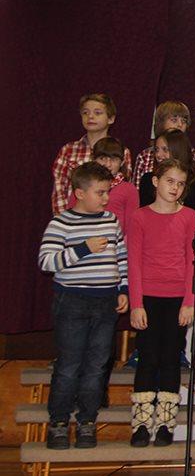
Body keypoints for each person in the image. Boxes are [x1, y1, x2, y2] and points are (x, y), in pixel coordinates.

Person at [39, 162, 129, 449]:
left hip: (105, 301)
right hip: (72, 301)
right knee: (69, 365)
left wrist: (123, 288)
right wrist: (82, 249)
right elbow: (46, 261)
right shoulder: (61, 223)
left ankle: (87, 422)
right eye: (100, 193)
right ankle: (59, 423)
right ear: (79, 193)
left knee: (97, 365)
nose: (106, 198)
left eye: (107, 192)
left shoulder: (111, 220)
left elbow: (121, 257)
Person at [127, 159, 195, 448]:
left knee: (170, 358)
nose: (175, 188)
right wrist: (136, 303)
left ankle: (166, 423)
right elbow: (133, 262)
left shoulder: (189, 216)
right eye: (170, 181)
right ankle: (142, 424)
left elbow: (191, 261)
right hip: (148, 299)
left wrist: (189, 301)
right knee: (148, 358)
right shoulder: (139, 217)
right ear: (155, 181)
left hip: (176, 299)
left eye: (180, 184)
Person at [52, 93, 132, 215]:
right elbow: (59, 188)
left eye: (97, 113)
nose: (90, 116)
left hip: (109, 217)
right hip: (74, 217)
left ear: (111, 119)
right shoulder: (68, 150)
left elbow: (124, 187)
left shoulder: (122, 151)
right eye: (85, 113)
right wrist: (65, 219)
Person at [66, 138, 138, 231]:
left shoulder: (128, 189)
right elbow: (71, 215)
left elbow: (131, 226)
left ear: (122, 162)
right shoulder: (83, 185)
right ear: (93, 159)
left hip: (114, 237)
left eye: (114, 159)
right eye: (102, 158)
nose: (108, 164)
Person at [132, 101, 195, 188]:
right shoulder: (145, 156)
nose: (180, 125)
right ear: (161, 123)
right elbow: (136, 191)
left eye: (184, 121)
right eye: (174, 120)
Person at [139, 130, 195, 212]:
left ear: (178, 151)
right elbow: (144, 212)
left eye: (165, 150)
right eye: (156, 149)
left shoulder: (194, 182)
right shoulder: (147, 180)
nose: (158, 155)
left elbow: (194, 214)